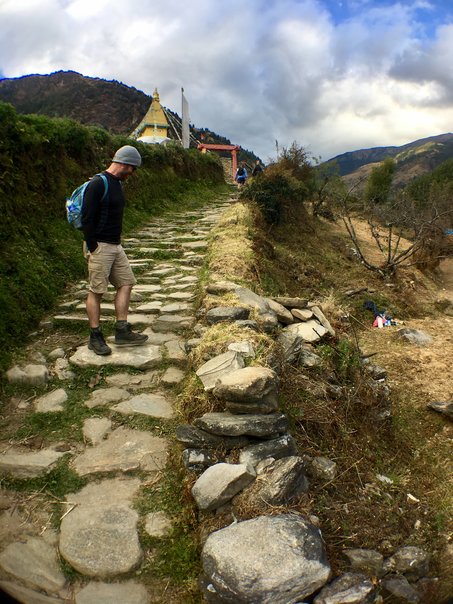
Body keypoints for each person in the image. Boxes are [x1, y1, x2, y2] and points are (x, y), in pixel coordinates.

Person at [81, 145, 149, 356]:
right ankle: (95, 336)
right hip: (100, 246)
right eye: (133, 168)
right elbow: (86, 218)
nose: (133, 173)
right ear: (125, 164)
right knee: (97, 291)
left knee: (126, 283)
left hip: (115, 245)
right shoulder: (97, 184)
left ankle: (122, 330)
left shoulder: (117, 184)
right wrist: (93, 247)